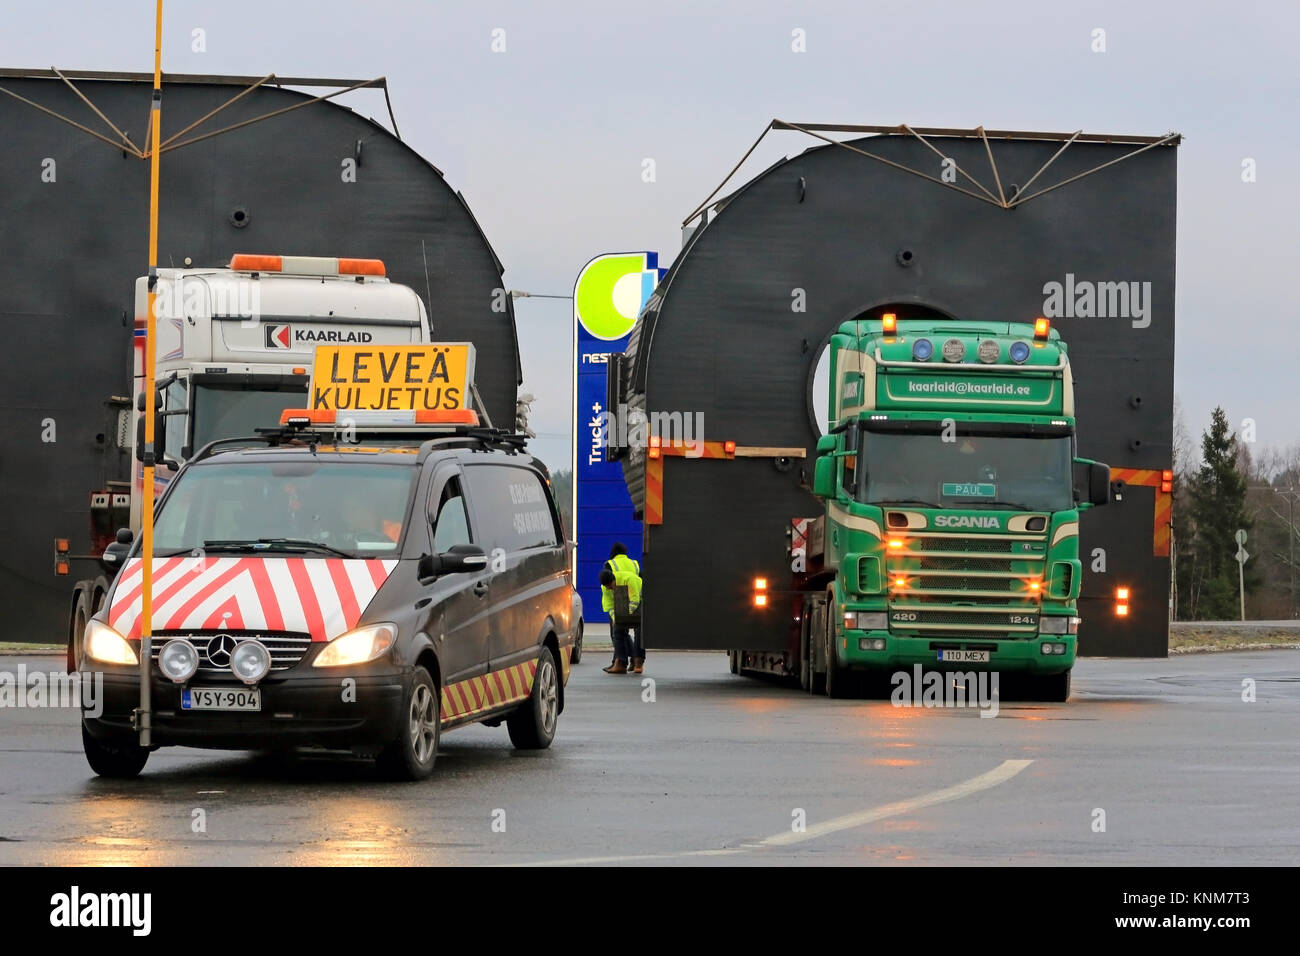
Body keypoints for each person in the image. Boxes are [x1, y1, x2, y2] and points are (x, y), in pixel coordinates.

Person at [601, 542, 644, 674]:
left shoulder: (610, 564)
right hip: (636, 598)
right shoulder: (634, 563)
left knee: (618, 632)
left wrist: (615, 616)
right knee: (639, 632)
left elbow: (607, 586)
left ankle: (620, 661)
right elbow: (640, 579)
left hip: (618, 601)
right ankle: (637, 662)